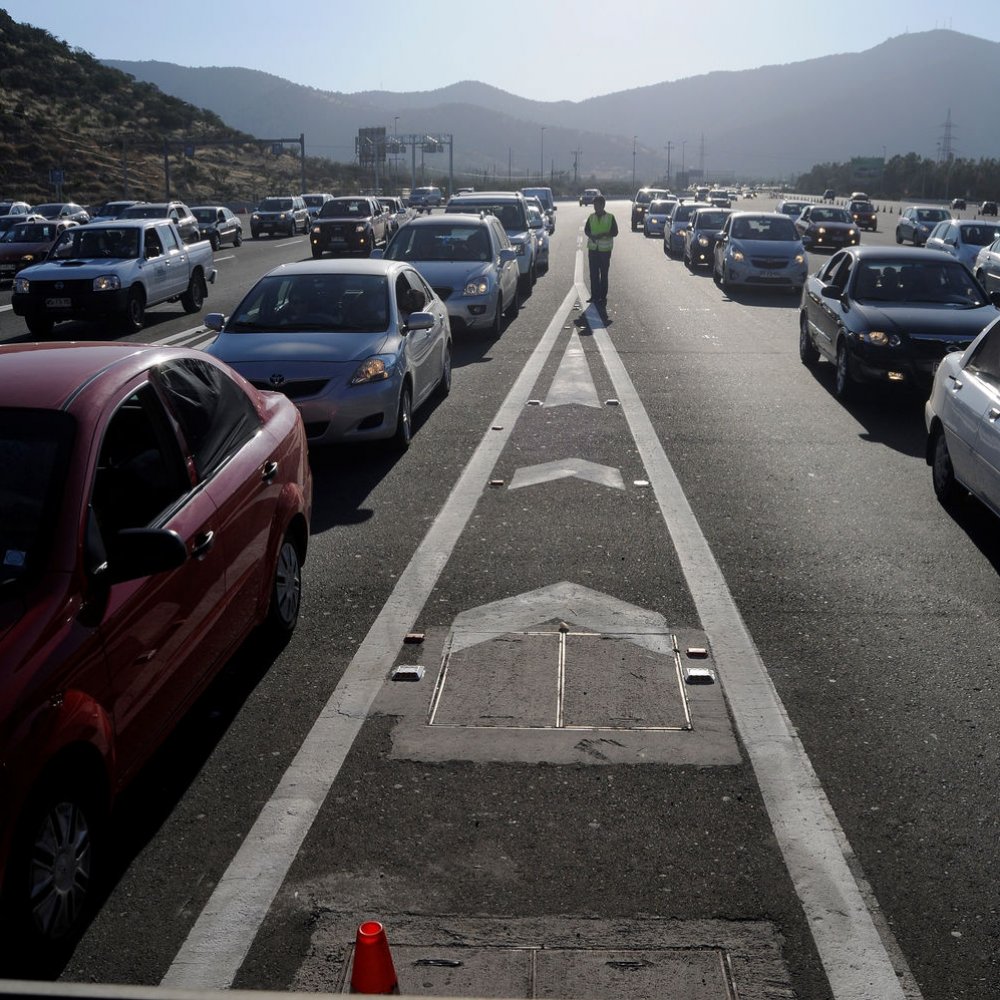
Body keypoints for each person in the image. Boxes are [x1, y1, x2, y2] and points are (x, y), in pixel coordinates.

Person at [584, 194, 618, 310]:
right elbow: (586, 230)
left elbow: (615, 232)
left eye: (597, 205)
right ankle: (594, 296)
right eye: (594, 205)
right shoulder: (591, 217)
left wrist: (603, 234)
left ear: (603, 205)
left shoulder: (610, 217)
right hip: (593, 249)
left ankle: (602, 297)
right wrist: (591, 236)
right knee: (593, 274)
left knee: (603, 274)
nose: (595, 208)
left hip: (604, 251)